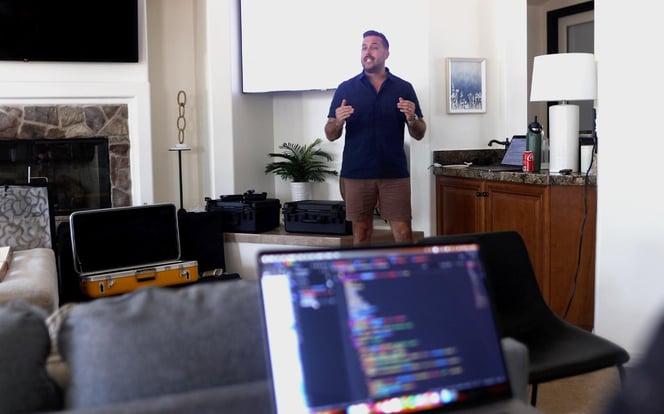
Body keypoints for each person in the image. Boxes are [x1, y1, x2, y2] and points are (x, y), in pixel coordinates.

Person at [325, 30, 426, 245]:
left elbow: (419, 133)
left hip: (394, 172)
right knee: (361, 234)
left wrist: (412, 118)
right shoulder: (346, 88)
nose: (367, 52)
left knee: (404, 234)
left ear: (386, 53)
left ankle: (406, 269)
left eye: (374, 47)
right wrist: (338, 122)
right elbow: (330, 134)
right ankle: (363, 269)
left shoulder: (403, 88)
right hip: (357, 172)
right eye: (364, 47)